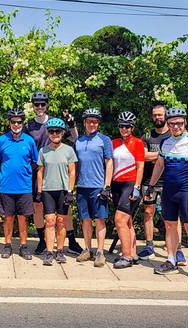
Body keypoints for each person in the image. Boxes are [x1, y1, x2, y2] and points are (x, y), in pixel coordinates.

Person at [148, 107, 188, 282]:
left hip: (187, 191)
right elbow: (159, 165)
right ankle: (171, 259)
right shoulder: (165, 142)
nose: (176, 126)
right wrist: (152, 186)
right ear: (168, 124)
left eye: (179, 123)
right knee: (169, 226)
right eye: (172, 123)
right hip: (169, 191)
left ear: (185, 123)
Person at [24, 91, 83, 256]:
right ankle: (43, 241)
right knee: (38, 206)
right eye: (37, 104)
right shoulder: (29, 126)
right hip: (39, 170)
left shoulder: (55, 122)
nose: (40, 107)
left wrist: (72, 125)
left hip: (58, 170)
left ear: (47, 105)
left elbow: (74, 140)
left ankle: (70, 240)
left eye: (43, 104)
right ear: (33, 106)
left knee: (65, 208)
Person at [138, 104, 186, 265]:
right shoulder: (147, 136)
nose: (157, 117)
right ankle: (149, 246)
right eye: (154, 115)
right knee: (148, 213)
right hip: (149, 182)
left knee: (172, 218)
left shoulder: (172, 134)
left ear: (165, 115)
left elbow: (174, 154)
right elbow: (142, 156)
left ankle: (177, 250)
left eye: (159, 114)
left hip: (169, 182)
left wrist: (156, 156)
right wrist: (161, 154)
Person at [0, 107, 38, 260]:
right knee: (8, 217)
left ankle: (24, 246)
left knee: (23, 218)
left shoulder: (29, 140)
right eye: (13, 122)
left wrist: (25, 173)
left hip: (24, 186)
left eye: (19, 122)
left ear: (23, 123)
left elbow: (35, 161)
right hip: (6, 186)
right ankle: (7, 245)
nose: (16, 125)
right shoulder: (2, 140)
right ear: (9, 123)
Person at [74, 108, 113, 267]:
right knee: (85, 219)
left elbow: (109, 162)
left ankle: (100, 252)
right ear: (84, 123)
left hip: (98, 186)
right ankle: (87, 249)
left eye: (95, 121)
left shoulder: (104, 140)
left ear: (98, 123)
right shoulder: (79, 140)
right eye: (89, 121)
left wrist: (107, 186)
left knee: (100, 219)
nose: (92, 124)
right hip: (82, 185)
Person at [36, 118, 78, 265]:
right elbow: (40, 172)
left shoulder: (68, 150)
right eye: (51, 131)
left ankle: (60, 251)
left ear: (62, 133)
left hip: (63, 190)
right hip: (48, 190)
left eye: (57, 131)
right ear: (48, 133)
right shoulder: (43, 151)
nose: (55, 134)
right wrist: (39, 191)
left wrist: (70, 191)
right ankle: (49, 252)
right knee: (49, 221)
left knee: (61, 221)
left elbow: (72, 172)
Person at [111, 111, 145, 269]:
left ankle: (125, 256)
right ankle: (132, 253)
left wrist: (137, 187)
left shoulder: (137, 143)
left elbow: (140, 167)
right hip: (116, 184)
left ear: (132, 127)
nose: (124, 129)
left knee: (120, 220)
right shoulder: (114, 142)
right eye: (121, 126)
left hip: (130, 184)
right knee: (128, 221)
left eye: (127, 126)